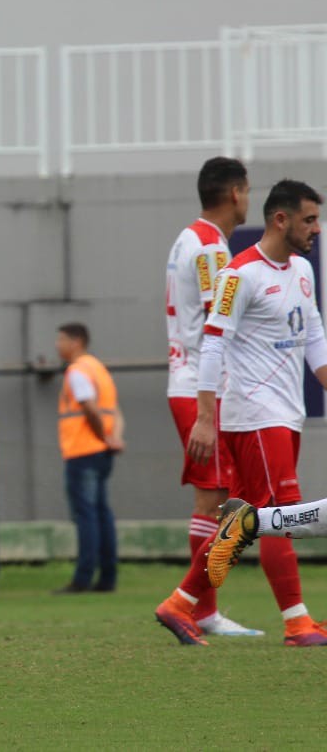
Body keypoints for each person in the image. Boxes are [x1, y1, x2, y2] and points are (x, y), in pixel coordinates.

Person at [155, 179, 327, 647]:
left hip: (285, 414)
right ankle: (297, 623)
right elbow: (214, 343)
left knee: (246, 522)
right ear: (281, 219)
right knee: (282, 514)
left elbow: (314, 337)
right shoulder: (239, 274)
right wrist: (205, 417)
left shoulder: (302, 270)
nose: (316, 229)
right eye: (309, 220)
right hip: (253, 415)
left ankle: (180, 603)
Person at [161, 157, 261, 635]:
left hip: (191, 383)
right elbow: (217, 322)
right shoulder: (210, 249)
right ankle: (199, 609)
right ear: (236, 193)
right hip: (202, 388)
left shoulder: (191, 238)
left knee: (220, 498)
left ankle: (201, 608)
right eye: (248, 191)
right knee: (217, 499)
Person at [53, 323, 124, 594]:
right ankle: (107, 577)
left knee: (86, 515)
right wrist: (114, 438)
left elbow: (90, 408)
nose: (57, 345)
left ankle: (83, 578)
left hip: (82, 450)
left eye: (61, 340)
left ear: (76, 342)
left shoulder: (78, 371)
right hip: (102, 452)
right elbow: (115, 411)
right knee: (102, 513)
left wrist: (103, 436)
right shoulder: (99, 369)